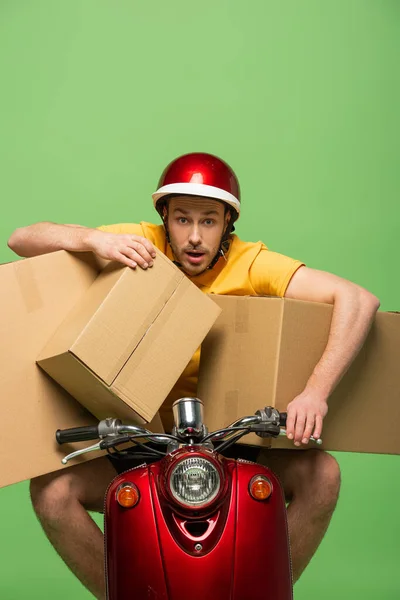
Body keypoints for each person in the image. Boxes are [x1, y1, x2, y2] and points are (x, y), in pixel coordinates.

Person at [8, 152, 379, 599]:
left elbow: (357, 299)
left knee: (323, 474)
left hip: (231, 442)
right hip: (143, 441)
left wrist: (316, 392)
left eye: (209, 221)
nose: (195, 237)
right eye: (183, 219)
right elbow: (20, 239)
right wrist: (92, 241)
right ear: (164, 217)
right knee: (52, 492)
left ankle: (264, 592)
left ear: (228, 224)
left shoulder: (252, 263)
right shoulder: (139, 244)